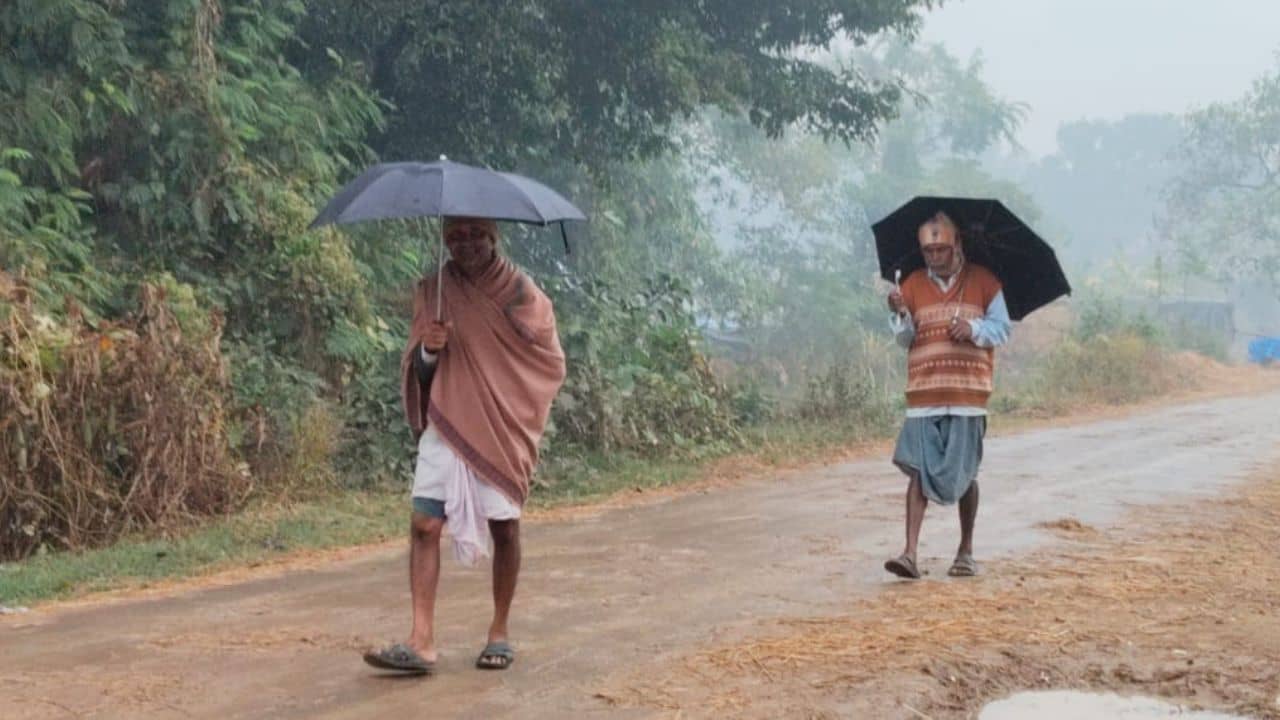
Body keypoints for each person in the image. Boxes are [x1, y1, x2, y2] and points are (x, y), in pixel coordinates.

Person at [364, 216, 566, 674]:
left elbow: (548, 360)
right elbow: (418, 372)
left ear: (493, 237)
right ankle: (421, 641)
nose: (466, 243)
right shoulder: (433, 290)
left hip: (503, 426)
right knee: (423, 524)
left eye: (475, 234)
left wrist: (509, 387)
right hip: (447, 420)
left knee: (506, 528)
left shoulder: (521, 292)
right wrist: (429, 349)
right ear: (445, 240)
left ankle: (499, 632)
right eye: (455, 236)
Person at [883, 211, 1010, 580]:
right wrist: (899, 314)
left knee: (965, 472)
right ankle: (909, 553)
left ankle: (965, 550)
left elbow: (1002, 329)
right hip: (923, 395)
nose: (934, 257)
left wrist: (972, 328)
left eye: (941, 249)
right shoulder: (911, 285)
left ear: (957, 245)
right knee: (919, 472)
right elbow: (904, 339)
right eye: (928, 251)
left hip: (968, 396)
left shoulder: (986, 282)